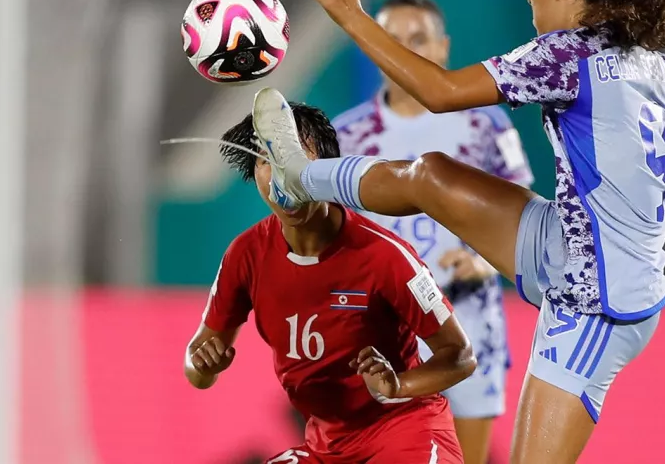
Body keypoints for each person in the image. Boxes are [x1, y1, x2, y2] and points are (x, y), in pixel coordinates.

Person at [255, 0, 665, 462]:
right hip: (565, 243)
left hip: (596, 305)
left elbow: (441, 91)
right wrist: (628, 184)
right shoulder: (654, 66)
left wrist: (353, 18)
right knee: (430, 175)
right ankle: (298, 179)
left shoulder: (564, 54)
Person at [183, 103, 477, 464]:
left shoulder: (384, 255)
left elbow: (460, 356)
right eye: (265, 160)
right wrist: (203, 365)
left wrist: (398, 385)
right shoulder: (245, 254)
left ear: (326, 169)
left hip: (404, 430)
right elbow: (197, 369)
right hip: (327, 447)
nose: (280, 173)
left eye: (295, 157)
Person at [333, 0, 534, 464]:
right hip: (379, 335)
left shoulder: (486, 126)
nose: (404, 50)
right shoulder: (345, 136)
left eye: (418, 40)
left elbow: (522, 215)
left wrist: (483, 260)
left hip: (471, 325)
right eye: (390, 39)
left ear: (443, 48)